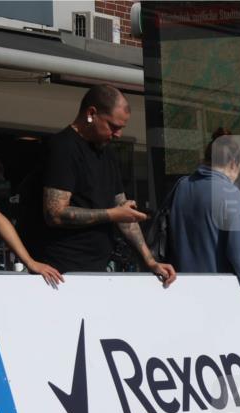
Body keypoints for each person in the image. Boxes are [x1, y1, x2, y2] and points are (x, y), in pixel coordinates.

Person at [34, 84, 175, 284]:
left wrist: (150, 261)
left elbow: (123, 213)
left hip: (98, 270)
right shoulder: (63, 147)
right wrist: (113, 214)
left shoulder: (106, 153)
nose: (118, 134)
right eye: (113, 126)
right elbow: (54, 213)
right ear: (91, 114)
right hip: (60, 274)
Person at [166, 129, 240, 321]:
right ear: (233, 163)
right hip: (216, 295)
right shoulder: (229, 193)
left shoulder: (181, 186)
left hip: (178, 290)